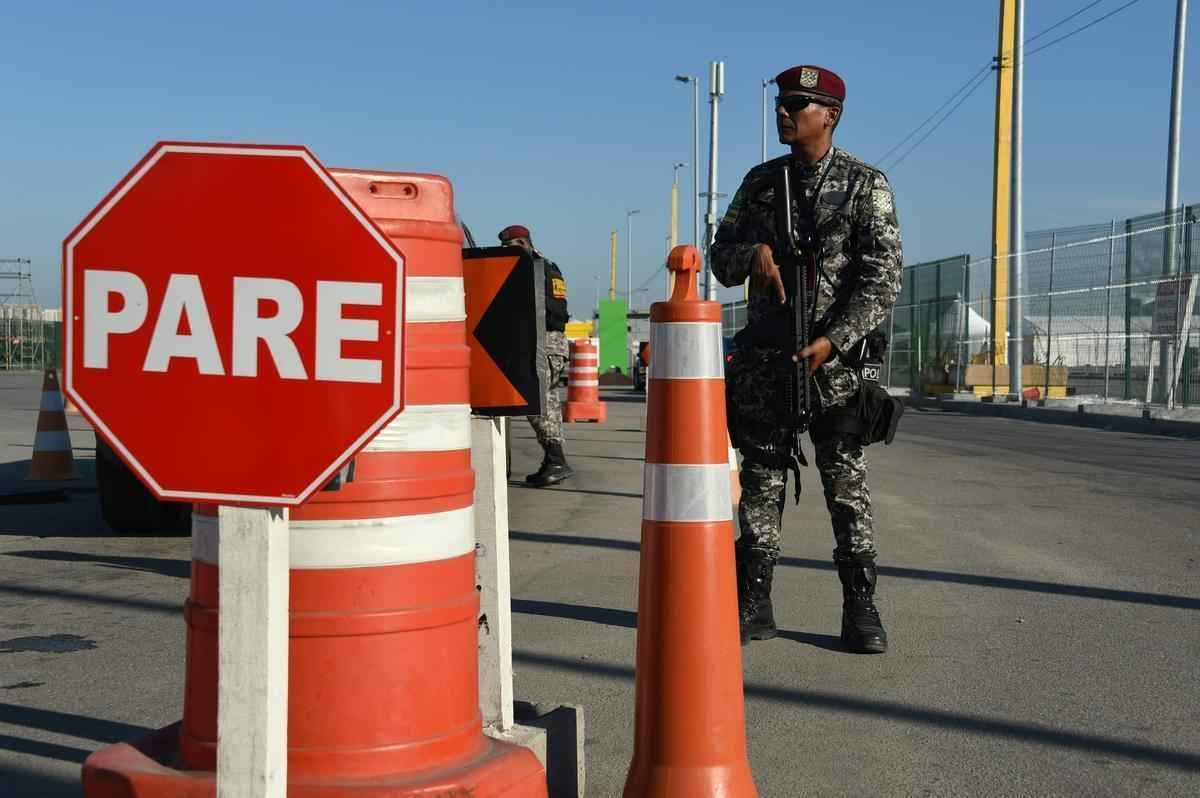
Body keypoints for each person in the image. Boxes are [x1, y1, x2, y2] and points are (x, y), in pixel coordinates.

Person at [711, 65, 903, 654]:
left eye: (797, 103)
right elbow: (720, 256)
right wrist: (754, 257)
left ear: (831, 115)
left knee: (846, 489)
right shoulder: (761, 182)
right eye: (780, 103)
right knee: (762, 482)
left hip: (836, 366)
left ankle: (860, 607)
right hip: (769, 361)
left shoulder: (863, 184)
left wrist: (836, 339)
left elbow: (882, 277)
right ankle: (755, 600)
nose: (783, 112)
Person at [498, 225, 575, 487]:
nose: (506, 253)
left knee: (536, 401)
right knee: (546, 402)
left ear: (521, 242)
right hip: (554, 344)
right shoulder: (548, 266)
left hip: (542, 342)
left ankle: (556, 460)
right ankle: (553, 460)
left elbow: (524, 309)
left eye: (509, 247)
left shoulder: (527, 267)